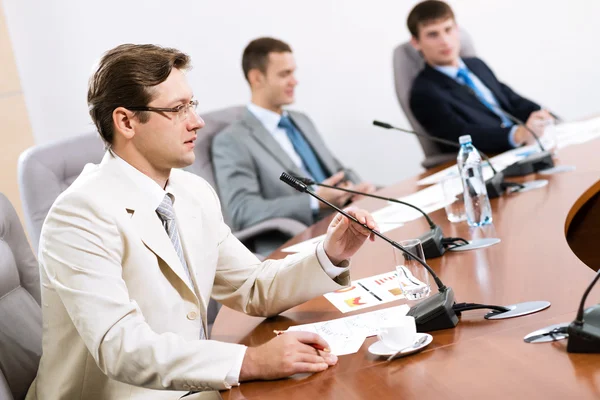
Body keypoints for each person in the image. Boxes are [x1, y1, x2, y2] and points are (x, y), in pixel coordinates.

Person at [26, 43, 378, 400]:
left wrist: (330, 254)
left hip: (196, 385)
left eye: (191, 104)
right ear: (126, 121)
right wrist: (250, 362)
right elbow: (122, 348)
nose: (197, 121)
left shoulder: (190, 191)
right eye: (178, 109)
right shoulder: (79, 215)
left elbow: (252, 287)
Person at [211, 37, 375, 253]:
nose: (294, 81)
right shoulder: (232, 140)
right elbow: (243, 211)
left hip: (348, 219)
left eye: (293, 72)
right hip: (305, 236)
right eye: (284, 74)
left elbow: (336, 168)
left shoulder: (300, 120)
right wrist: (315, 201)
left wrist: (356, 186)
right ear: (257, 78)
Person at [408, 0, 554, 154]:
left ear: (457, 30)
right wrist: (517, 135)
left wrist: (540, 113)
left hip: (531, 147)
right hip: (494, 157)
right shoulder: (424, 92)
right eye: (433, 34)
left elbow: (511, 100)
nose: (445, 41)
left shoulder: (477, 65)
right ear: (416, 43)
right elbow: (459, 134)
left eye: (448, 29)